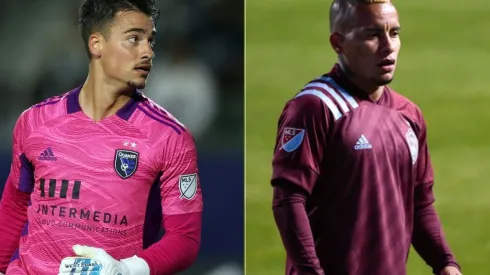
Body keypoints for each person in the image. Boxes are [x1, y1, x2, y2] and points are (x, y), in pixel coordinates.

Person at [0, 0, 203, 274]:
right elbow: (14, 207)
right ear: (97, 44)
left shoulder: (170, 137)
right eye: (134, 39)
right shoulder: (35, 121)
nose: (148, 52)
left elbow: (184, 238)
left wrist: (125, 270)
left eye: (150, 40)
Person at [270, 1, 461, 275]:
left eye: (394, 33)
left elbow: (419, 203)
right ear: (338, 43)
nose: (388, 46)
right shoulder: (316, 107)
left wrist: (445, 262)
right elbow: (288, 199)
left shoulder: (409, 115)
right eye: (372, 35)